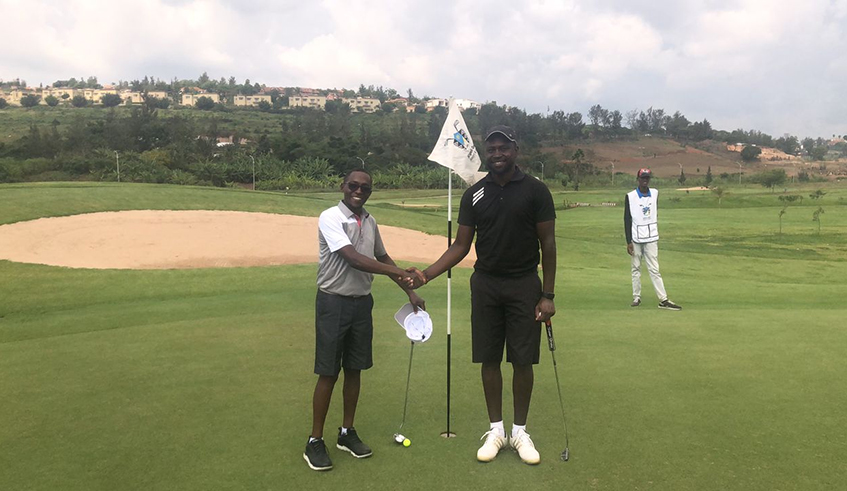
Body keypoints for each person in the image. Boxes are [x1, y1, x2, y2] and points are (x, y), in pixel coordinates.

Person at [417, 125, 557, 465]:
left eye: (503, 147)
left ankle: (520, 431)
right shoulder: (474, 194)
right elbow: (461, 246)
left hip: (525, 284)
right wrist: (426, 274)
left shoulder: (536, 192)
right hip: (486, 285)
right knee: (489, 358)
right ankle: (496, 430)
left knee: (523, 360)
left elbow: (548, 244)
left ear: (515, 150)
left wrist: (548, 294)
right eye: (491, 148)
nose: (497, 153)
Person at [304, 168, 426, 471]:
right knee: (329, 372)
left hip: (361, 304)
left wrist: (408, 291)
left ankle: (346, 433)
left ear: (370, 191)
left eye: (365, 187)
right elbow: (353, 258)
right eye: (354, 185)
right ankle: (314, 441)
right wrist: (401, 273)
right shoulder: (330, 217)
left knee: (355, 369)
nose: (359, 190)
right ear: (343, 186)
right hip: (333, 302)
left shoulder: (370, 221)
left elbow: (382, 257)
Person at [624, 168, 682, 310]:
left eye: (647, 178)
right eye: (643, 178)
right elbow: (627, 219)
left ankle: (663, 299)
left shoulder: (655, 193)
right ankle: (636, 297)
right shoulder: (630, 196)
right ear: (638, 179)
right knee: (635, 268)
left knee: (654, 269)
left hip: (651, 237)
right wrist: (628, 241)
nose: (645, 180)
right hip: (636, 238)